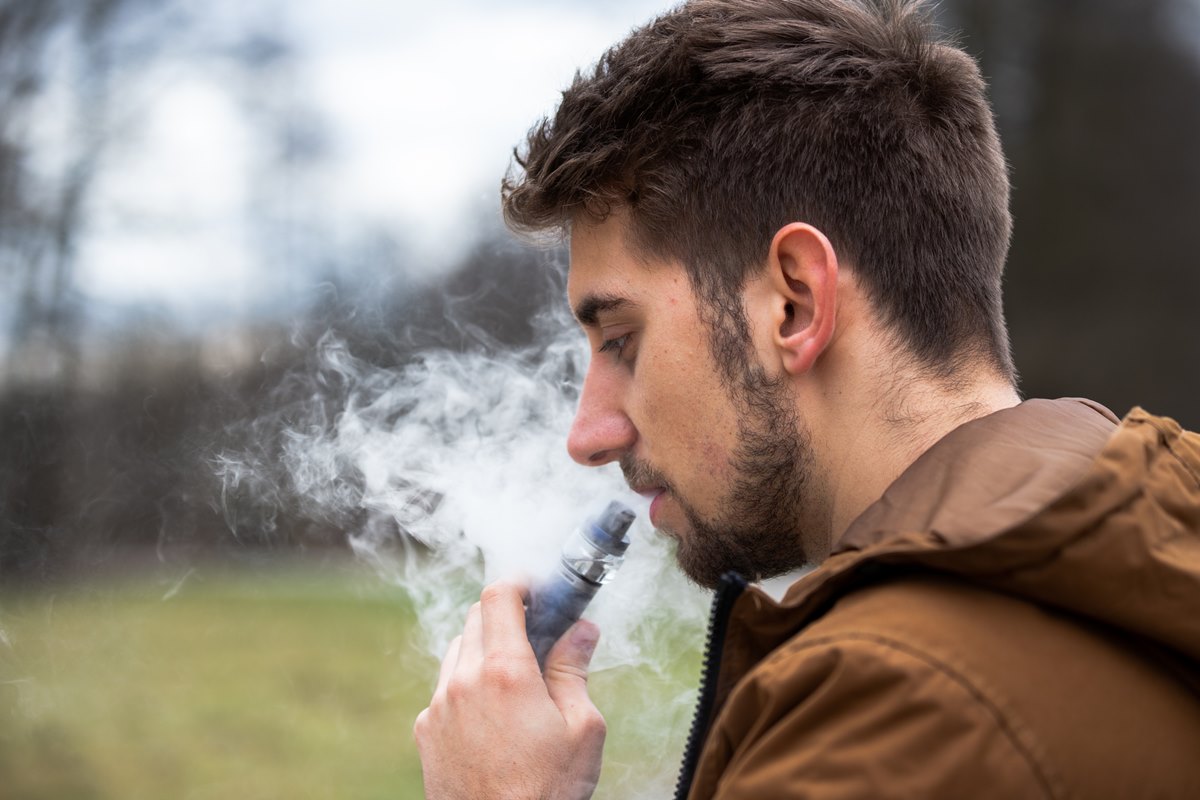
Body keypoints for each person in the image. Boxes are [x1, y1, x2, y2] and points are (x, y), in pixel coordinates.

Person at [413, 0, 1200, 797]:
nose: (588, 435)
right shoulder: (1132, 519)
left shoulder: (889, 720)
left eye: (622, 341)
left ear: (794, 302)